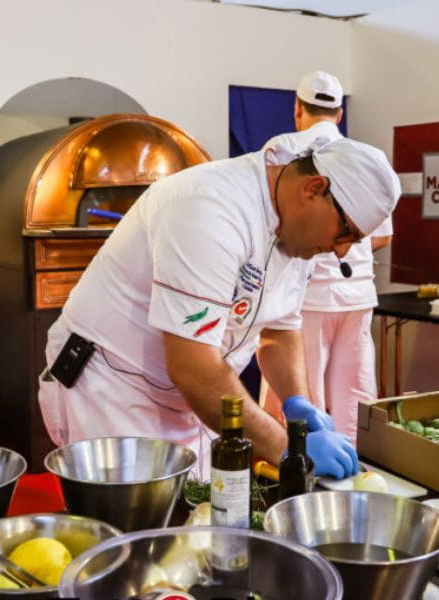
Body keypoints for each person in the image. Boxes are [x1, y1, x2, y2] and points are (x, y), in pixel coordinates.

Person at [38, 133, 400, 481]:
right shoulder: (209, 208)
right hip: (114, 390)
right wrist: (288, 449)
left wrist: (299, 406)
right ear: (314, 189)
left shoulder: (298, 231)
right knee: (135, 531)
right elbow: (193, 368)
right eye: (344, 233)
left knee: (197, 520)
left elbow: (280, 331)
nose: (341, 251)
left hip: (192, 397)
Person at [262, 71, 392, 444]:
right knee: (355, 392)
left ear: (297, 110)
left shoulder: (282, 149)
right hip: (358, 296)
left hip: (307, 299)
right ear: (339, 114)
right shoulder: (366, 160)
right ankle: (356, 470)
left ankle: (294, 471)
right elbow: (383, 235)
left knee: (301, 390)